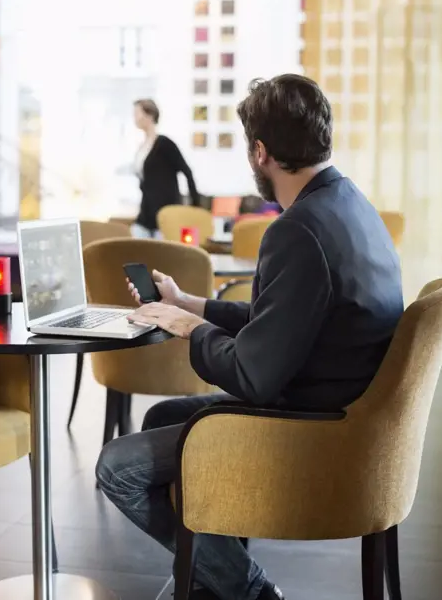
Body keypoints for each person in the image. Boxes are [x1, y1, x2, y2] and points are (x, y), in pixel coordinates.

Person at [96, 75, 403, 600]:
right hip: (344, 415)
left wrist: (189, 328)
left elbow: (252, 376)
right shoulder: (349, 205)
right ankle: (209, 580)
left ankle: (247, 588)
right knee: (163, 418)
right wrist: (191, 303)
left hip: (307, 433)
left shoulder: (297, 230)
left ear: (261, 151)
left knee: (118, 468)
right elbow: (286, 318)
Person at [131, 99, 200, 238]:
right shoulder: (141, 147)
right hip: (146, 214)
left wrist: (195, 206)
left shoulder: (165, 144)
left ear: (149, 114)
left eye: (137, 113)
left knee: (163, 256)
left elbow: (187, 171)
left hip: (165, 213)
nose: (134, 117)